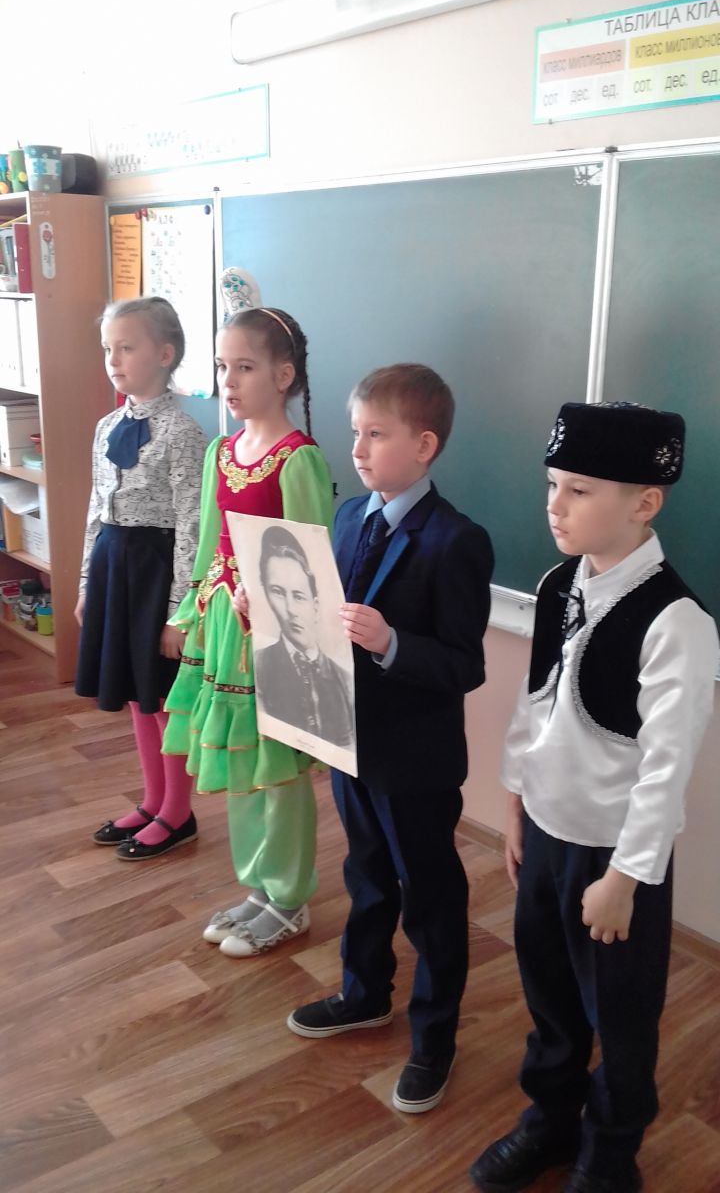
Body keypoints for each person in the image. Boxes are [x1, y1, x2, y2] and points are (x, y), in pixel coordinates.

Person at [469, 402, 719, 1193]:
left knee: (620, 1009)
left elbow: (666, 769)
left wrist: (626, 878)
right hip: (547, 833)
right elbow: (536, 703)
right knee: (547, 990)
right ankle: (551, 1119)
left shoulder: (677, 623)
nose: (555, 505)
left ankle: (611, 1151)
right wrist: (516, 801)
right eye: (553, 485)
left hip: (615, 858)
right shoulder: (556, 585)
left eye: (579, 490)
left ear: (644, 502)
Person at [287, 363, 494, 1114]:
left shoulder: (456, 541)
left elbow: (464, 666)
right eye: (356, 432)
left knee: (430, 897)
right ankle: (364, 992)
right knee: (367, 876)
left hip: (416, 761)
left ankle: (434, 1039)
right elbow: (328, 619)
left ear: (425, 445)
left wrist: (393, 643)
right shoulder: (349, 518)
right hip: (353, 742)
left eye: (376, 434)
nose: (358, 449)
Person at [161, 307, 334, 956]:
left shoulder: (297, 460)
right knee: (241, 760)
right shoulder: (221, 452)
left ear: (283, 376)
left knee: (278, 766)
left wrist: (266, 602)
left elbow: (310, 565)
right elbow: (212, 544)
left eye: (245, 367)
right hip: (224, 632)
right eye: (221, 367)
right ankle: (258, 886)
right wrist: (190, 613)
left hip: (276, 635)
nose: (228, 382)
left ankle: (289, 896)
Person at [75, 296, 206, 860]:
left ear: (165, 354)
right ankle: (152, 801)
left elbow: (192, 527)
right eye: (108, 348)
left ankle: (177, 811)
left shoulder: (183, 433)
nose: (114, 359)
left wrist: (180, 613)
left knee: (162, 697)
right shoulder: (107, 426)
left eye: (126, 348)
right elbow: (95, 509)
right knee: (135, 694)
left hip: (156, 573)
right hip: (113, 567)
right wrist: (86, 584)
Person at [254, 524, 354, 748]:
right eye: (277, 592)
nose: (290, 609)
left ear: (315, 605)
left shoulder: (344, 679)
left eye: (299, 596)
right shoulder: (259, 665)